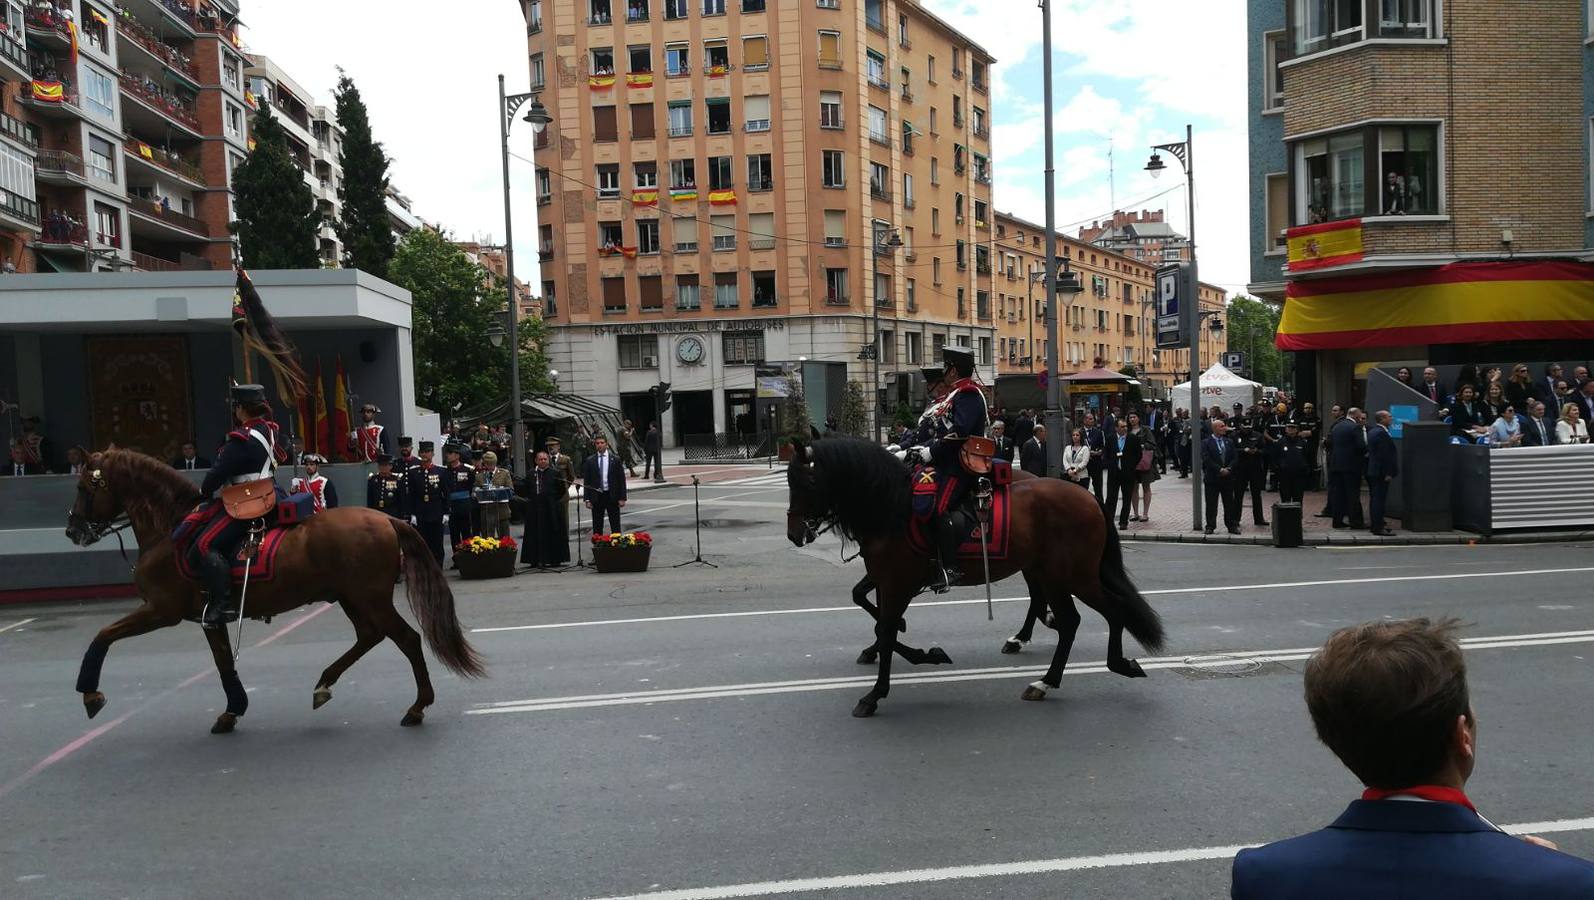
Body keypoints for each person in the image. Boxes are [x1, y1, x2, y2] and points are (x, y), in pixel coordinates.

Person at [1231, 618, 1594, 899]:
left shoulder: (1266, 875)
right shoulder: (1567, 883)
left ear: (1335, 742)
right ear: (1462, 735)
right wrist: (1546, 871)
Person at [180, 385, 288, 630]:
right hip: (270, 491)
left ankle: (224, 603)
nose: (235, 411)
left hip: (250, 499)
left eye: (236, 407)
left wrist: (203, 492)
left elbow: (217, 474)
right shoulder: (269, 430)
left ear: (241, 409)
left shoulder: (241, 438)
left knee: (205, 543)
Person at [921, 344, 988, 587]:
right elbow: (941, 430)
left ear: (953, 370)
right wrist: (921, 449)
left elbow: (960, 432)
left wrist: (931, 451)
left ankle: (951, 568)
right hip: (949, 460)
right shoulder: (955, 394)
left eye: (947, 367)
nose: (945, 372)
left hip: (961, 465)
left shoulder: (968, 393)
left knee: (939, 508)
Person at [519, 450, 571, 568]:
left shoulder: (555, 473)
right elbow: (525, 489)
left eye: (545, 459)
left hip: (551, 508)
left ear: (548, 460)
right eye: (540, 459)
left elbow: (561, 490)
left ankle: (554, 559)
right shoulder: (531, 473)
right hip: (535, 508)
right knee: (534, 533)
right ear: (536, 461)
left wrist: (551, 499)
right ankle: (535, 559)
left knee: (553, 531)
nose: (543, 461)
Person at [404, 441, 447, 563]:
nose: (425, 455)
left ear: (432, 453)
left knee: (437, 543)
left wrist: (446, 512)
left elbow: (445, 493)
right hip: (420, 513)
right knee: (422, 543)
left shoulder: (440, 471)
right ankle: (424, 568)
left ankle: (438, 567)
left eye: (427, 452)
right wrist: (412, 513)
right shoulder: (413, 472)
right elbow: (411, 494)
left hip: (436, 511)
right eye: (422, 452)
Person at [1329, 408, 1367, 529]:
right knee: (1353, 495)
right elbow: (1361, 446)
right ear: (1355, 415)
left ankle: (1337, 521)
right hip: (1351, 466)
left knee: (1338, 494)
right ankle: (1356, 522)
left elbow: (1330, 443)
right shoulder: (1355, 427)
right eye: (1359, 416)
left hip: (1336, 465)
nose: (1360, 418)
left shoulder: (1337, 426)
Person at [582, 434, 628, 535]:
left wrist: (622, 498)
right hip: (597, 496)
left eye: (602, 443)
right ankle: (598, 545)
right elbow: (587, 481)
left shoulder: (615, 460)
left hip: (612, 495)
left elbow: (621, 480)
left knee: (615, 523)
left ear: (607, 444)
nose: (600, 445)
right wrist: (587, 499)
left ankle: (616, 544)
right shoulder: (590, 460)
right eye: (597, 443)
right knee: (597, 524)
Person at [1201, 419, 1239, 535]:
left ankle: (1231, 525)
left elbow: (1234, 457)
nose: (1224, 428)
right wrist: (1219, 469)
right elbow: (1206, 459)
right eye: (1222, 426)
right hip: (1212, 477)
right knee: (1211, 504)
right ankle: (1210, 526)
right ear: (1215, 428)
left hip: (1227, 478)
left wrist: (1229, 468)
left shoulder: (1229, 441)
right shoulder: (1206, 442)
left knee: (1229, 503)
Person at [443, 443, 477, 564]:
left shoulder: (467, 469)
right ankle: (457, 559)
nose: (448, 456)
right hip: (452, 505)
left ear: (457, 455)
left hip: (464, 504)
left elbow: (471, 485)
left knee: (467, 532)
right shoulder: (445, 471)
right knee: (454, 534)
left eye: (450, 453)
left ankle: (469, 557)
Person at [1366, 411, 1398, 536]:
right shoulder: (1381, 433)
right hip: (1380, 473)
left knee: (1375, 499)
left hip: (1374, 471)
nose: (1391, 418)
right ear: (1382, 419)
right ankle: (1378, 527)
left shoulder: (1374, 431)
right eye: (1389, 416)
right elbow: (1384, 456)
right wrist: (1388, 473)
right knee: (1379, 500)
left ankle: (1377, 524)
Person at [1104, 418, 1141, 530]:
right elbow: (1106, 454)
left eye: (1126, 426)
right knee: (1111, 497)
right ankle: (1108, 521)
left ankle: (1123, 522)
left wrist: (1131, 466)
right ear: (1116, 428)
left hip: (1127, 473)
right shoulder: (1110, 438)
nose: (1125, 428)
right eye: (1122, 427)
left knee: (1126, 498)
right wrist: (1110, 465)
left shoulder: (1133, 438)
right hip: (1114, 473)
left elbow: (1138, 454)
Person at [1234, 416, 1269, 527]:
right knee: (1238, 495)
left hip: (1255, 469)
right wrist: (1244, 450)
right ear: (1240, 426)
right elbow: (1232, 450)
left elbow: (1265, 450)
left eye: (1249, 427)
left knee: (1256, 495)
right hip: (1240, 469)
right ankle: (1236, 519)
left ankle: (1259, 519)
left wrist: (1256, 451)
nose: (1247, 429)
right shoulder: (1235, 436)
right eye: (1245, 427)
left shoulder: (1257, 436)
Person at [474, 450, 514, 538]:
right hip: (486, 512)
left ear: (495, 463)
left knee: (504, 540)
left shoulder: (504, 473)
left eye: (491, 464)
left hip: (502, 511)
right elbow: (474, 491)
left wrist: (500, 491)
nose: (489, 466)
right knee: (487, 540)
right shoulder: (479, 476)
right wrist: (476, 491)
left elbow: (511, 491)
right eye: (487, 464)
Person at [1127, 413, 1158, 523]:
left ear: (1138, 418)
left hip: (1144, 461)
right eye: (1130, 417)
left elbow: (1153, 444)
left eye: (1134, 417)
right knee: (1133, 488)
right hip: (1131, 463)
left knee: (1146, 486)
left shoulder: (1145, 430)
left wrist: (1143, 446)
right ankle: (1135, 513)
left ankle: (1145, 513)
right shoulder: (1127, 430)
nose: (1132, 419)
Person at [545, 436, 577, 536]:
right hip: (549, 494)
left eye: (553, 445)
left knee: (563, 517)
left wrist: (564, 487)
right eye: (549, 446)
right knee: (550, 517)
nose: (550, 448)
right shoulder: (544, 459)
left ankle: (565, 537)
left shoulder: (566, 459)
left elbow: (571, 476)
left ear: (558, 446)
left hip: (562, 495)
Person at [1276, 421, 1311, 504]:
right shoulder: (1280, 442)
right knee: (1285, 501)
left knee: (1298, 501)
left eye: (1293, 427)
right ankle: (1286, 517)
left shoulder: (1302, 442)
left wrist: (1305, 468)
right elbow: (1275, 457)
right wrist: (1279, 469)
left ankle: (1297, 517)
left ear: (1296, 429)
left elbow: (1307, 457)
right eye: (1289, 427)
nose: (1290, 429)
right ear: (1285, 429)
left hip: (1299, 476)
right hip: (1285, 476)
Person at [366, 454, 406, 520]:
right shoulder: (373, 480)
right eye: (381, 465)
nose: (383, 467)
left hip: (393, 514)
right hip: (377, 514)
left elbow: (401, 499)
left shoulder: (397, 479)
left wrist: (402, 516)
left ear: (391, 466)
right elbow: (370, 500)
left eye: (386, 465)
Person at [1082, 411, 1107, 504]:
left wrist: (1098, 452)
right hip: (1084, 464)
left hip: (1096, 463)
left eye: (1093, 419)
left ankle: (1101, 506)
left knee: (1098, 488)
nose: (1092, 421)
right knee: (1083, 487)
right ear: (1084, 420)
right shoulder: (1079, 432)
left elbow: (1103, 447)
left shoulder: (1099, 432)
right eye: (1090, 419)